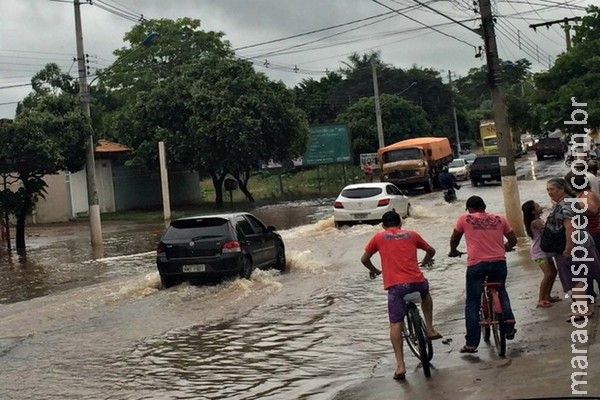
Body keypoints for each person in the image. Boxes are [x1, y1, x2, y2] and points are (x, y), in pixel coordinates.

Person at [361, 210, 441, 380]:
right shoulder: (412, 234)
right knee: (426, 294)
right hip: (417, 282)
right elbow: (431, 250)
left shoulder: (378, 237)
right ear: (401, 223)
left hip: (396, 287)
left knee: (395, 323)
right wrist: (426, 259)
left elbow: (364, 259)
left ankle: (400, 365)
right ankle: (430, 328)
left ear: (383, 225)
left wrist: (375, 271)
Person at [448, 195, 518, 353]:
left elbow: (454, 238)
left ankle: (472, 343)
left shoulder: (465, 219)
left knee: (472, 302)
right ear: (484, 206)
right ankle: (509, 328)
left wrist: (453, 251)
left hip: (477, 265)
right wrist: (505, 248)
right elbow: (513, 240)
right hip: (499, 263)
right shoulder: (500, 218)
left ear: (470, 209)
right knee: (501, 291)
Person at [545, 177, 600, 321]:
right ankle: (583, 308)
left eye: (552, 189)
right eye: (548, 190)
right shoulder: (569, 202)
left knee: (575, 278)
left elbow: (570, 226)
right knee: (581, 277)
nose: (550, 193)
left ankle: (583, 310)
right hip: (581, 242)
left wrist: (569, 248)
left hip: (575, 244)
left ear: (562, 188)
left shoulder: (566, 204)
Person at [521, 200, 559, 308]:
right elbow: (547, 231)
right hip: (539, 252)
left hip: (544, 250)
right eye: (537, 206)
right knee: (548, 274)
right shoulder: (535, 222)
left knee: (553, 272)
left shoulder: (537, 220)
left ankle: (547, 296)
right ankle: (541, 299)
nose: (540, 206)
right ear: (533, 211)